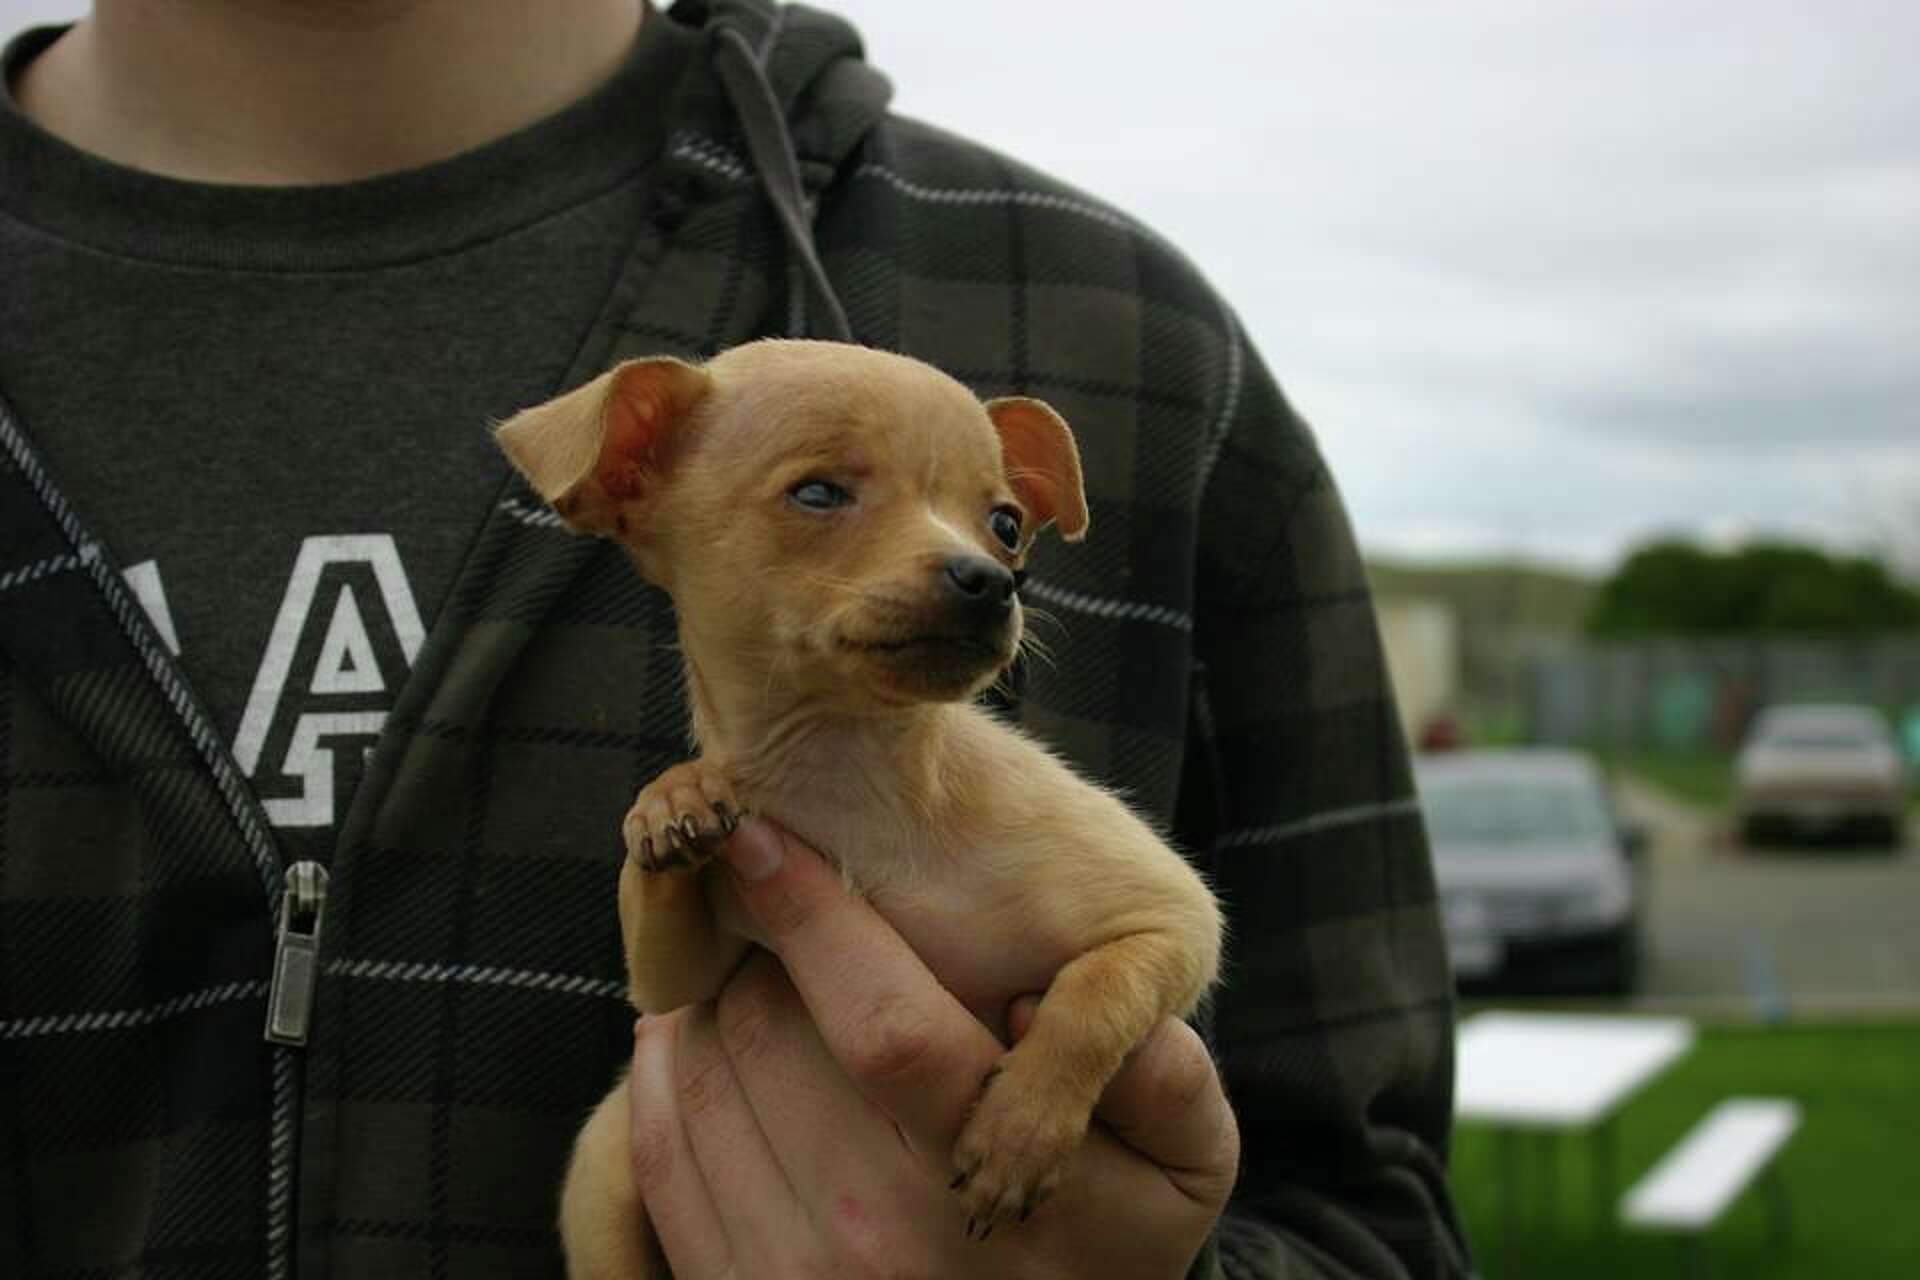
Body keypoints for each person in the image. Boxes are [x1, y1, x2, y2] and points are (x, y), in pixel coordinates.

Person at [0, 1, 1471, 1276]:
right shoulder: (702, 512)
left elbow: (1376, 1215)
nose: (974, 569)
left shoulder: (1129, 341)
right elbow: (669, 990)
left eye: (1003, 532)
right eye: (823, 496)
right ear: (626, 476)